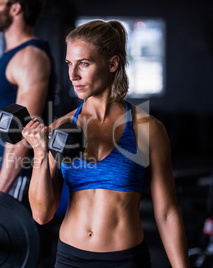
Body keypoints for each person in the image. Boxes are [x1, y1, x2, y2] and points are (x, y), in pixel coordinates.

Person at [22, 20, 190, 267]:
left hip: (126, 260)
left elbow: (166, 213)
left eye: (84, 64)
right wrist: (39, 151)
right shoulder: (61, 127)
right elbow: (41, 214)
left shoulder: (148, 129)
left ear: (112, 64)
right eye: (70, 64)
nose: (73, 75)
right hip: (71, 259)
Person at [0, 0, 55, 207]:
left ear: (15, 8)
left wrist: (0, 192)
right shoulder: (15, 54)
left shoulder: (30, 57)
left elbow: (24, 134)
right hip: (9, 174)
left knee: (11, 238)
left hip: (20, 176)